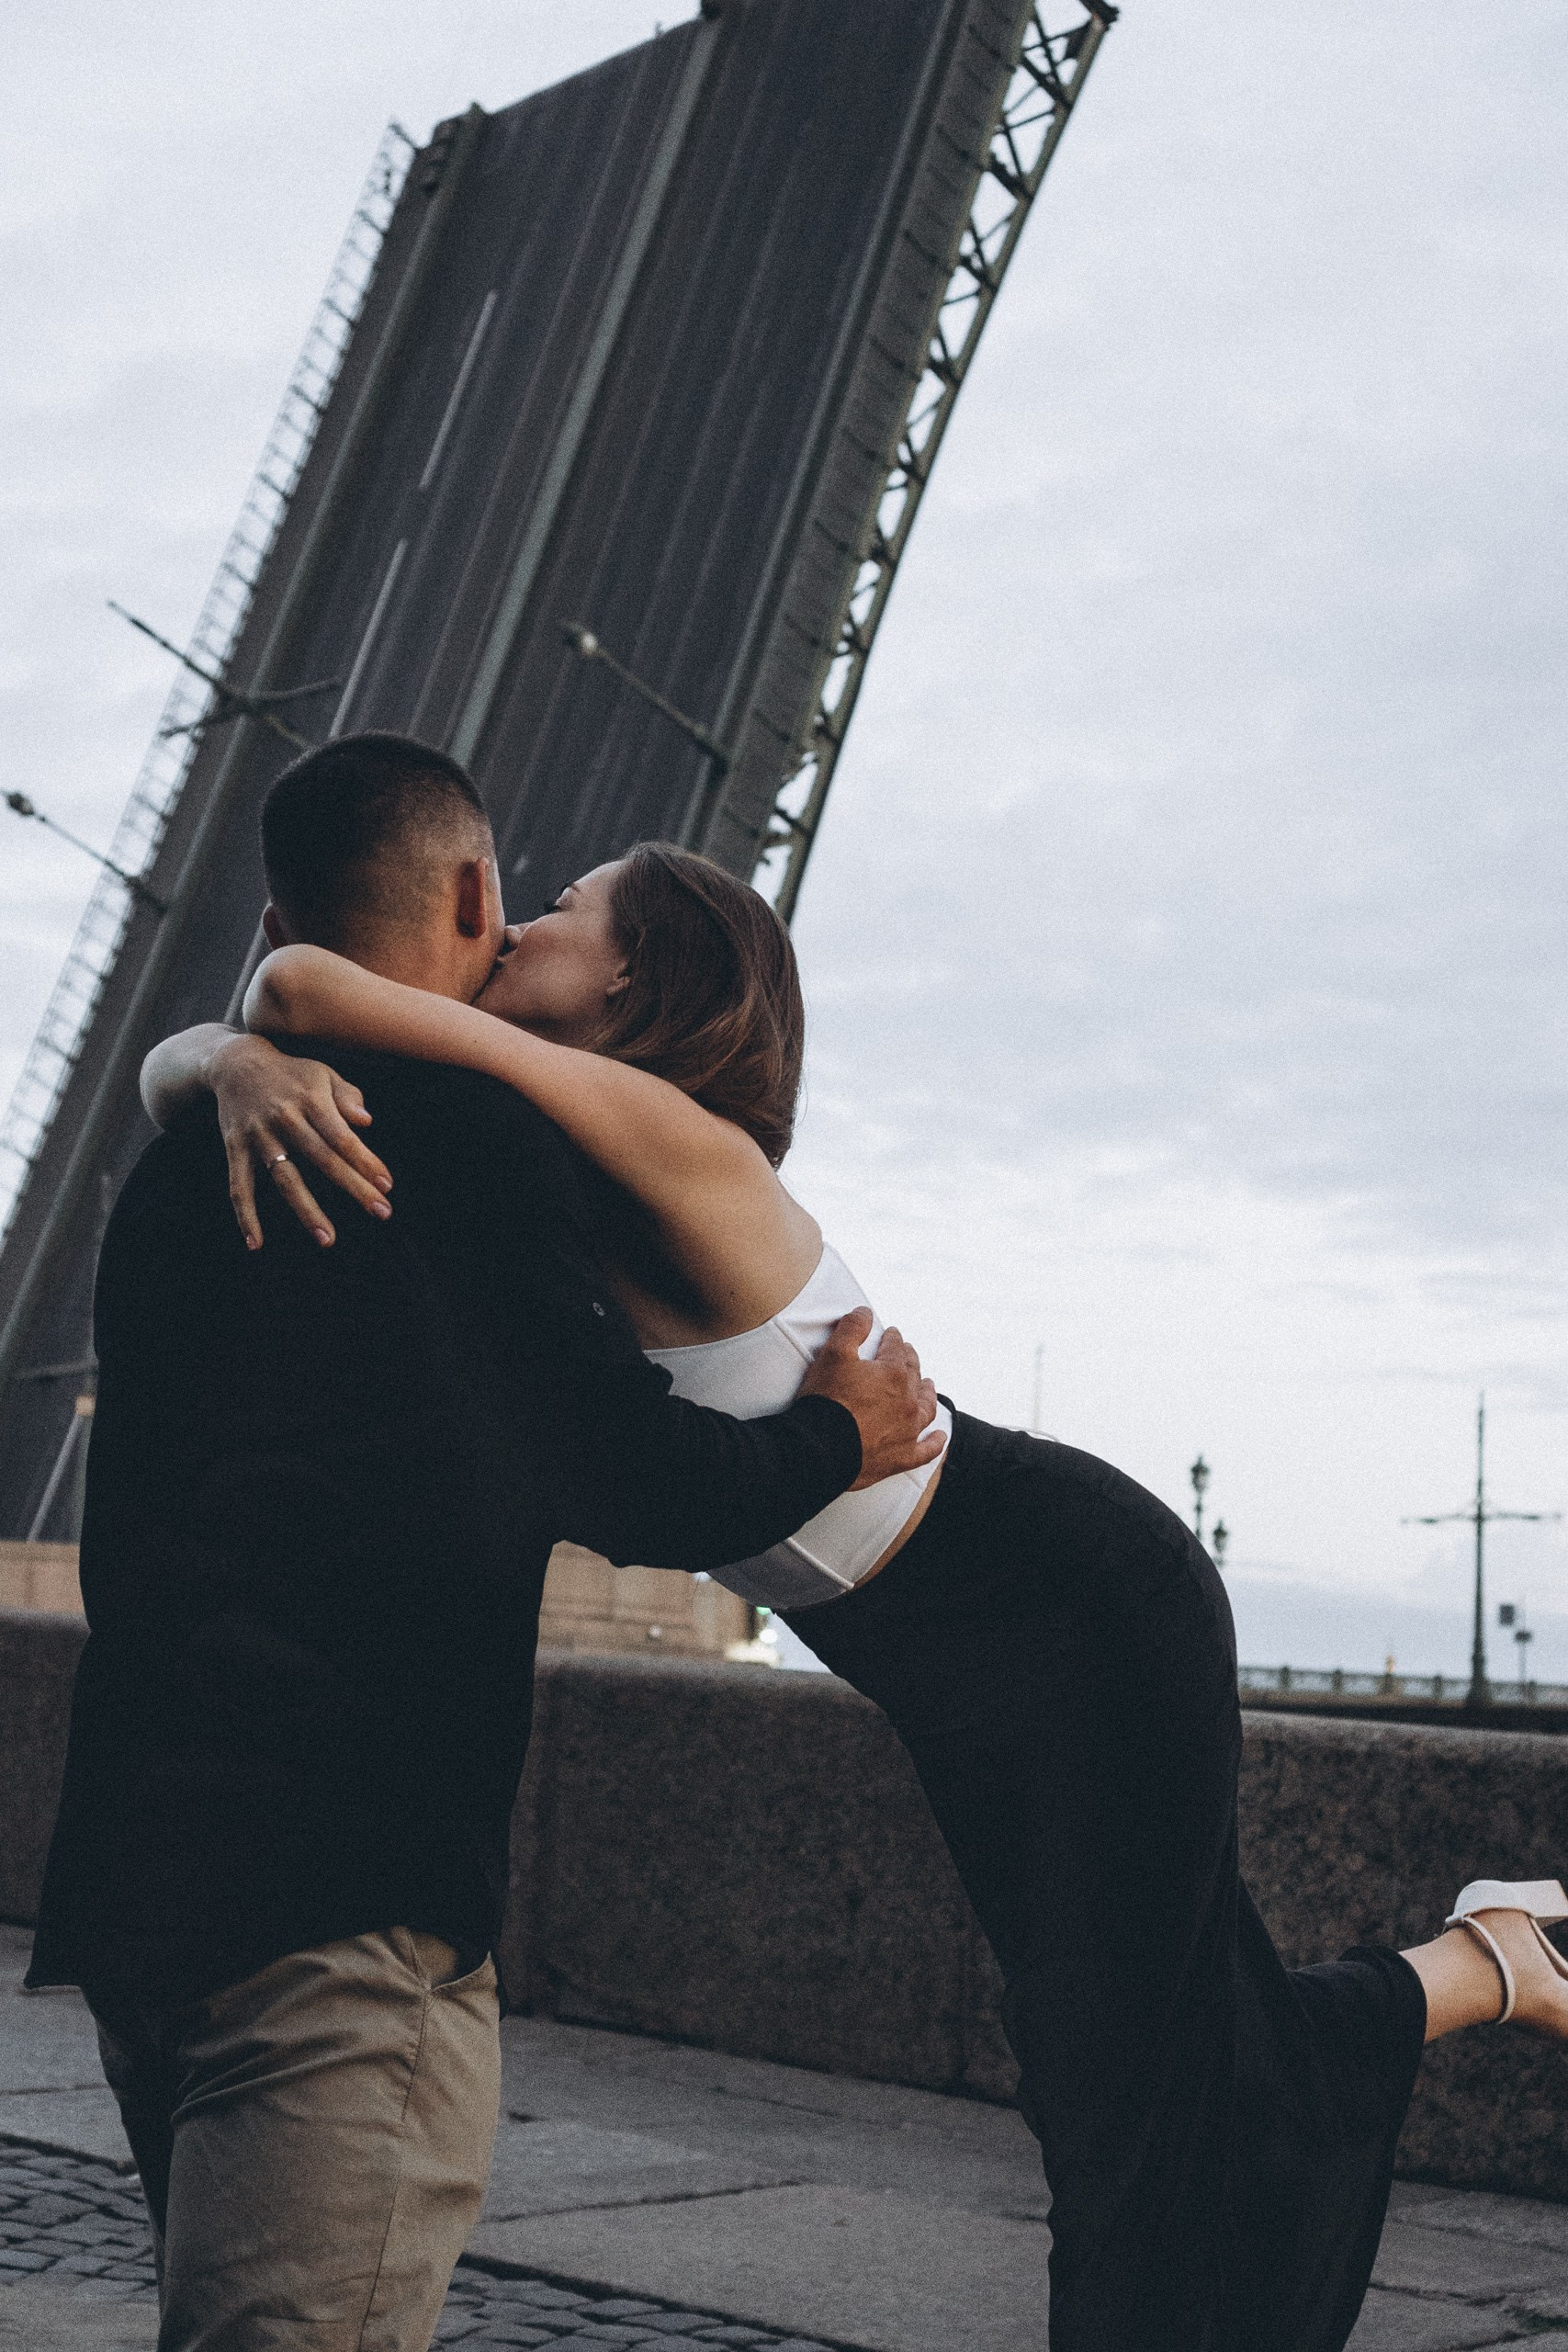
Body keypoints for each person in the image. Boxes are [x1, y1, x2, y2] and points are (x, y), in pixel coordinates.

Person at [146, 787, 1568, 2352]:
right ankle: (1490, 1959)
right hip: (957, 1656)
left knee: (1133, 2086)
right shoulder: (541, 1163)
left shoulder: (671, 1139)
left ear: (633, 982)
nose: (523, 921)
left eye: (568, 908)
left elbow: (297, 983)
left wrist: (242, 1043)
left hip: (1078, 1606)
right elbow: (254, 1027)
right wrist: (218, 1063)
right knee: (1112, 2058)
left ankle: (1484, 1969)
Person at [30, 732, 944, 2352]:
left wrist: (213, 1057)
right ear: (467, 886)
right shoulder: (478, 1153)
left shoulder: (174, 1177)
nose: (525, 925)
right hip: (344, 1914)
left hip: (143, 1891)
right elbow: (628, 1481)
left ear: (268, 915)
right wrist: (839, 1435)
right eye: (520, 896)